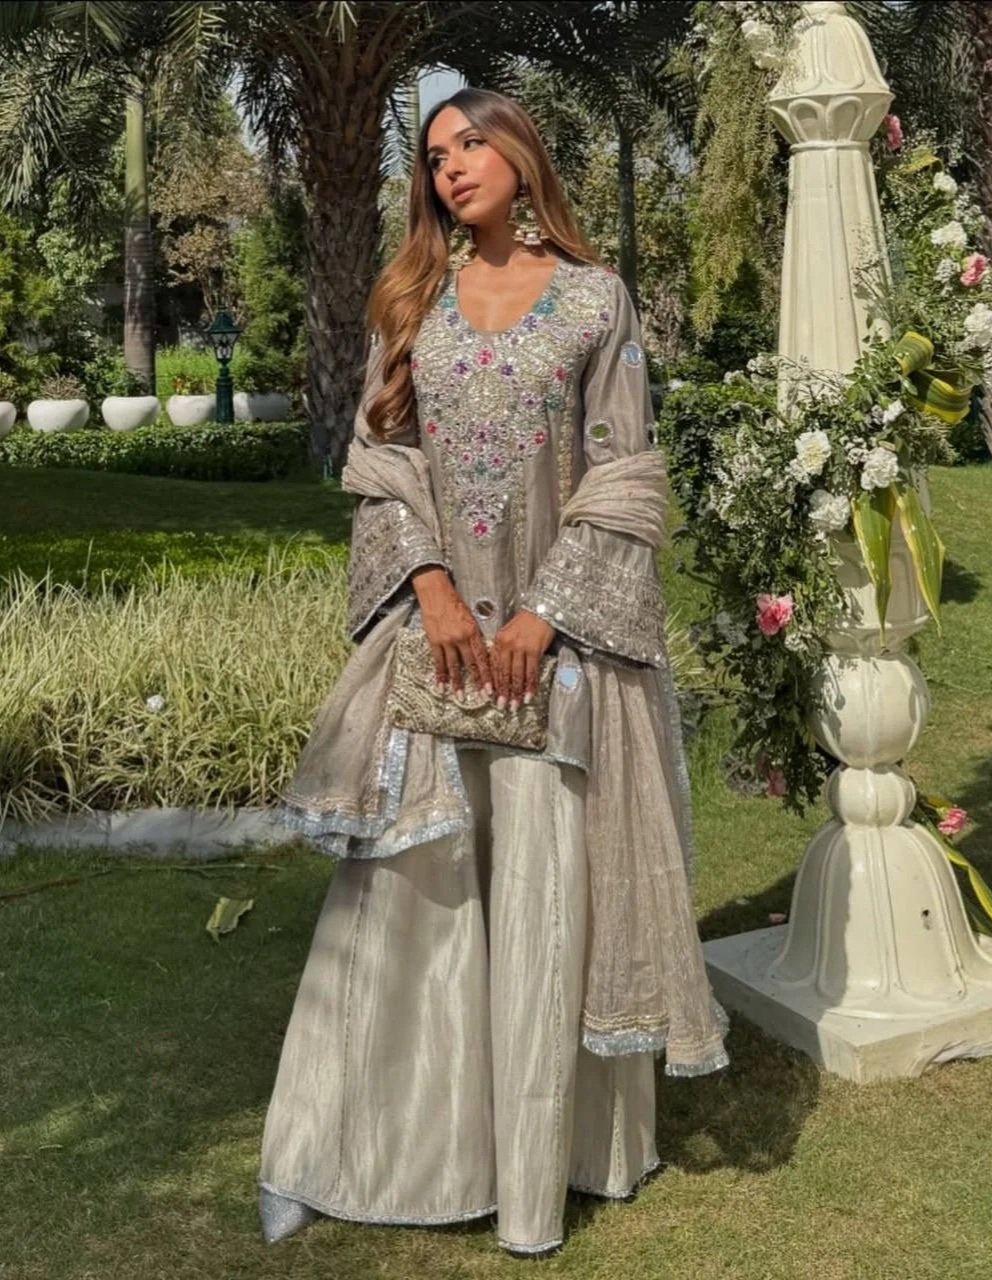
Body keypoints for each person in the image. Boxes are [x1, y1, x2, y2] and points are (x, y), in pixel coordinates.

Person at [257, 87, 730, 1258]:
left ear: (521, 154)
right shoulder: (410, 298)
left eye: (472, 144)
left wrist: (542, 613)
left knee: (540, 890)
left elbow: (625, 475)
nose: (453, 167)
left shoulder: (594, 299)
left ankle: (546, 1168)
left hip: (551, 657)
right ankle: (373, 1143)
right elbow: (380, 463)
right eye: (434, 156)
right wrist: (425, 582)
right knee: (412, 890)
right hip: (438, 647)